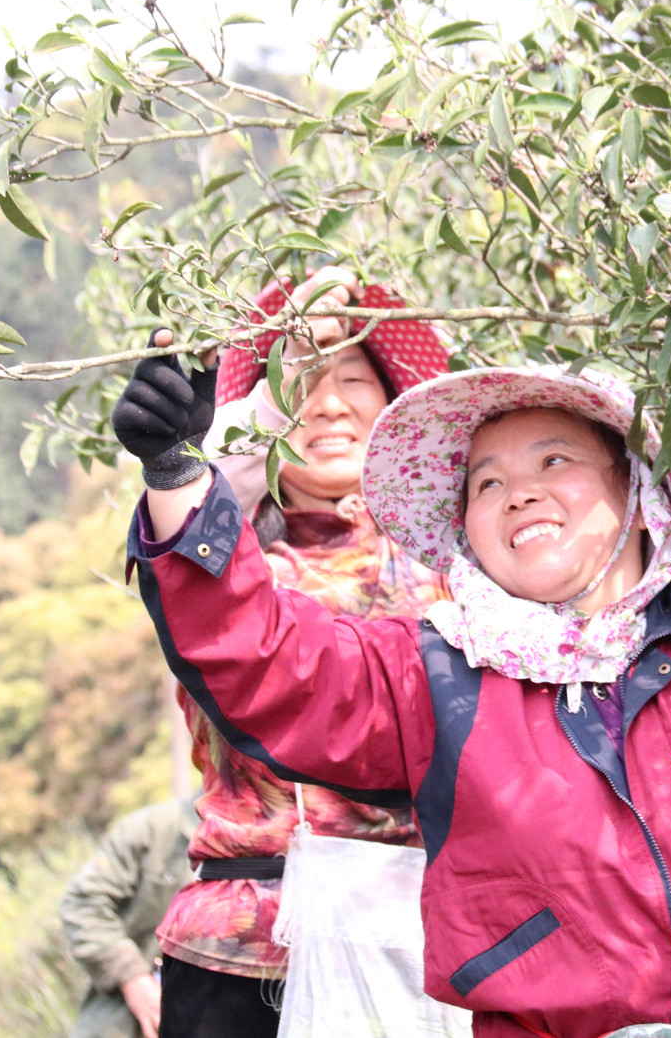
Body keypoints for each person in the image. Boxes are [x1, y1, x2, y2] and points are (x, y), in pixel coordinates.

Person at [111, 323, 671, 1037]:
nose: (520, 493)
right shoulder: (434, 676)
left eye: (556, 459)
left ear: (634, 485)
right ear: (465, 532)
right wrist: (183, 479)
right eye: (487, 483)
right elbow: (269, 663)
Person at [138, 273, 455, 1038]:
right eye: (299, 382)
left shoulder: (463, 561)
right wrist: (179, 465)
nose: (329, 403)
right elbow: (191, 562)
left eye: (353, 378)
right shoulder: (227, 551)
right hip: (246, 952)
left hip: (424, 941)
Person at [60, 795, 197, 1038]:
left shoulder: (280, 836)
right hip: (131, 1019)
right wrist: (132, 977)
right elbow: (83, 903)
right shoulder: (150, 829)